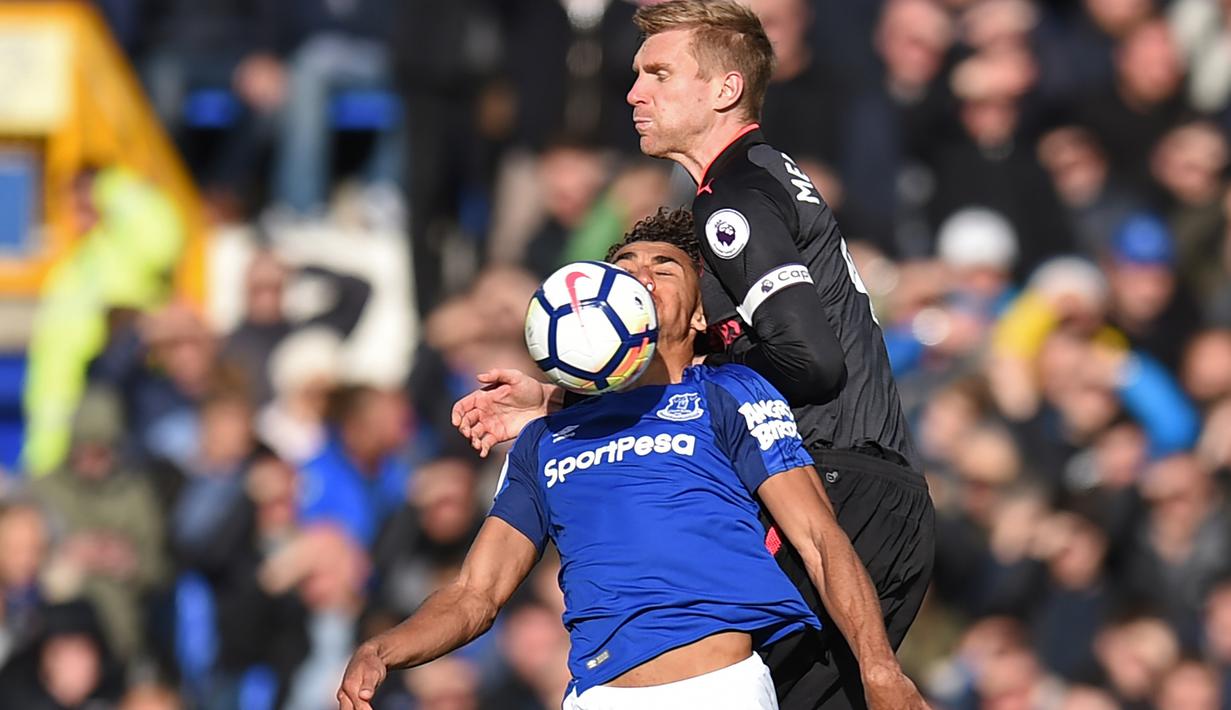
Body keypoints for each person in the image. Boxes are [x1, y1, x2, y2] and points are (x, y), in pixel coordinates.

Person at [453, 3, 934, 708]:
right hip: (879, 490)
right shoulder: (767, 173)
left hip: (835, 487)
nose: (633, 93)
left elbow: (810, 361)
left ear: (723, 89)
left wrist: (694, 347)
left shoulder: (729, 198)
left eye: (658, 73)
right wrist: (565, 397)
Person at [339, 210, 923, 709]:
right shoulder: (546, 440)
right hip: (598, 695)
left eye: (664, 267)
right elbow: (475, 593)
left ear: (698, 317)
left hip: (717, 689)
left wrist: (879, 669)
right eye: (624, 266)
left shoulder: (729, 394)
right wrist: (385, 648)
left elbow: (820, 539)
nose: (639, 275)